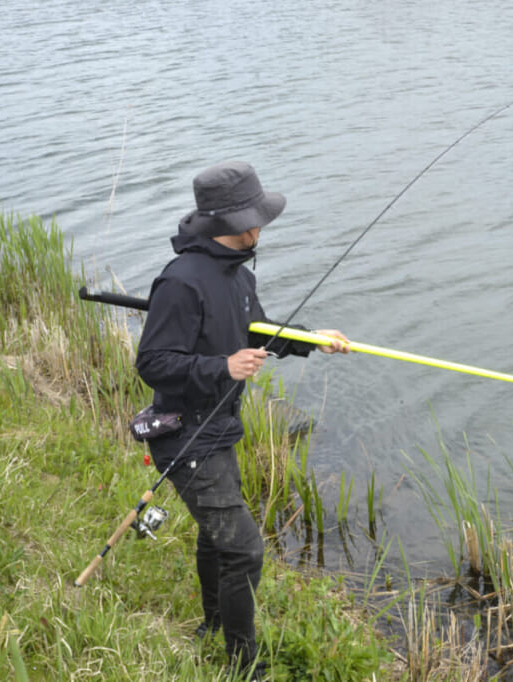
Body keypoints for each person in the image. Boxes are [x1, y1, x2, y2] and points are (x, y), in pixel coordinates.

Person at [135, 161, 349, 679]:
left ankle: (213, 626)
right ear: (237, 223)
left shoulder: (236, 273)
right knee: (245, 550)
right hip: (183, 437)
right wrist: (222, 367)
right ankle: (242, 663)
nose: (264, 225)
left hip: (218, 429)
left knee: (217, 537)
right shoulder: (181, 282)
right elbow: (153, 362)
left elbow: (258, 330)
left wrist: (311, 339)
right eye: (259, 217)